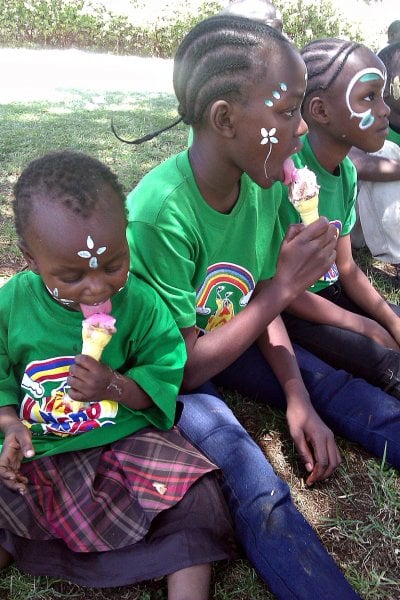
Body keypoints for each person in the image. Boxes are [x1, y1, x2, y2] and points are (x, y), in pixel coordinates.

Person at [122, 15, 400, 599]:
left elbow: (251, 293)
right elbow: (184, 370)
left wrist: (298, 396)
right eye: (286, 111)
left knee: (334, 389)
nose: (301, 129)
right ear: (224, 118)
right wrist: (280, 288)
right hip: (163, 373)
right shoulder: (159, 214)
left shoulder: (265, 179)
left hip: (233, 332)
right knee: (251, 477)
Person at [0, 150, 237, 599]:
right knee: (8, 491)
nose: (98, 287)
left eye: (113, 264)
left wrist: (114, 385)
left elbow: (168, 365)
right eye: (70, 276)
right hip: (43, 445)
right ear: (31, 259)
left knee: (195, 495)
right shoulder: (12, 305)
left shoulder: (141, 304)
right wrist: (10, 423)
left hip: (122, 439)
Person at [277, 38, 400, 398]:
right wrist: (365, 326)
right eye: (368, 97)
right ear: (320, 110)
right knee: (386, 362)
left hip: (332, 293)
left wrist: (389, 319)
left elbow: (345, 269)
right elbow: (281, 289)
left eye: (382, 95)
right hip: (297, 309)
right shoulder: (287, 176)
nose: (384, 110)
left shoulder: (345, 171)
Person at [350, 41, 400, 276]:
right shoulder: (363, 119)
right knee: (383, 155)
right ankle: (398, 260)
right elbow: (359, 165)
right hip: (352, 223)